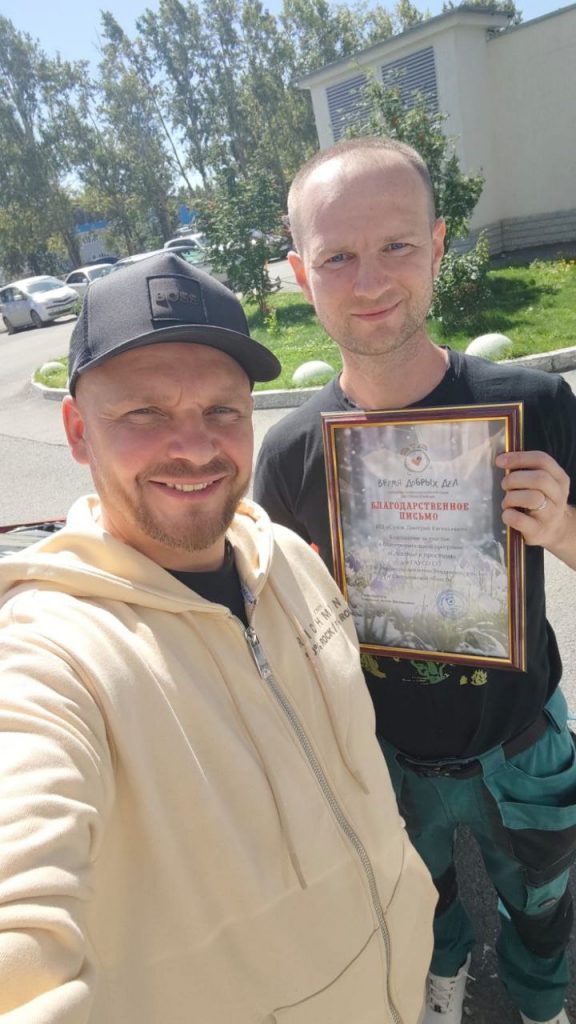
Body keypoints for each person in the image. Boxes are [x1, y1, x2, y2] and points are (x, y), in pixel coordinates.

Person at [0, 250, 436, 1023]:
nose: (197, 446)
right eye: (145, 413)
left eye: (223, 411)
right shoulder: (51, 655)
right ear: (77, 431)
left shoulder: (289, 560)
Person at [253, 137, 576, 1024]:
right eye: (337, 257)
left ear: (437, 247)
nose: (369, 281)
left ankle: (542, 1000)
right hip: (379, 758)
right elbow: (266, 628)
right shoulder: (290, 454)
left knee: (544, 902)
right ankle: (443, 978)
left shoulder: (535, 407)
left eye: (396, 245)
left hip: (520, 742)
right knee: (413, 899)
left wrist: (561, 527)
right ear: (301, 274)